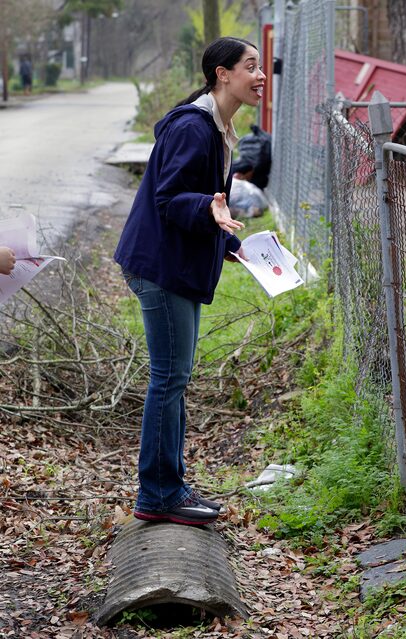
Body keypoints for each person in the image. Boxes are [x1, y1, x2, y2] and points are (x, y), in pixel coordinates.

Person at [114, 36, 266, 526]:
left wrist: (229, 243)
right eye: (250, 66)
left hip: (172, 264)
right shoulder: (194, 128)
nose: (260, 75)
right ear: (222, 74)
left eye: (261, 67)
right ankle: (158, 494)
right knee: (169, 380)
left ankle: (169, 485)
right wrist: (208, 208)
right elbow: (170, 198)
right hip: (160, 267)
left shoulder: (219, 126)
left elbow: (201, 206)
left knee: (173, 379)